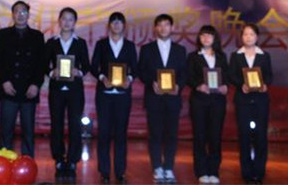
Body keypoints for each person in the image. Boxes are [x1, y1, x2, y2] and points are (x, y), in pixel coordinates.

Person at [138, 13, 187, 184]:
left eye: (166, 24)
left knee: (171, 134)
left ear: (172, 28)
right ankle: (157, 167)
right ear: (155, 28)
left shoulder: (180, 50)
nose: (163, 28)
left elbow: (184, 73)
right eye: (160, 25)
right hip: (154, 98)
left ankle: (169, 167)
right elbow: (141, 71)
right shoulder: (147, 49)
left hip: (173, 99)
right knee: (155, 134)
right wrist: (151, 82)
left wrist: (178, 86)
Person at [0, 0, 45, 157]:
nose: (20, 15)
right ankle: (3, 164)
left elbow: (41, 64)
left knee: (28, 131)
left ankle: (27, 164)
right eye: (17, 11)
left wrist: (36, 84)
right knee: (6, 130)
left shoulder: (37, 36)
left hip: (29, 90)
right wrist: (4, 81)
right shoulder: (3, 35)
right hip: (8, 88)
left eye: (24, 12)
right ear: (12, 14)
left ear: (28, 15)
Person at [90, 12, 138, 184]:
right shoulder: (101, 44)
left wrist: (129, 79)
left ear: (124, 25)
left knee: (121, 134)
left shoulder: (130, 46)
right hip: (104, 95)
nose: (116, 25)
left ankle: (120, 172)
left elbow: (135, 68)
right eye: (114, 22)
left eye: (119, 22)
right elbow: (93, 67)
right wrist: (102, 78)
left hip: (123, 96)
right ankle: (104, 172)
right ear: (109, 25)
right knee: (103, 133)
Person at [45, 7, 90, 180]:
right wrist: (52, 72)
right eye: (64, 19)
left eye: (70, 19)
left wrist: (79, 72)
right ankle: (58, 159)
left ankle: (72, 160)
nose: (67, 22)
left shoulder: (80, 43)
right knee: (56, 124)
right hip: (56, 90)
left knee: (74, 125)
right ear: (59, 21)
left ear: (75, 23)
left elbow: (86, 66)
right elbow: (43, 65)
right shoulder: (51, 42)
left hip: (75, 91)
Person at [228, 23, 273, 185]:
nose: (248, 37)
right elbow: (231, 75)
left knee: (261, 136)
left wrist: (265, 84)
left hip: (261, 100)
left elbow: (269, 75)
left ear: (257, 37)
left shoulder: (264, 55)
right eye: (245, 34)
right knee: (244, 136)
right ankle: (246, 173)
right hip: (243, 100)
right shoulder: (236, 56)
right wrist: (241, 85)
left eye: (252, 34)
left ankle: (259, 173)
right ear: (242, 37)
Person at [186, 25, 229, 184]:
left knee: (215, 136)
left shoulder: (222, 56)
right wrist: (198, 86)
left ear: (214, 38)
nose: (206, 38)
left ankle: (214, 171)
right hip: (199, 101)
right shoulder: (193, 57)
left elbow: (227, 76)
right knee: (200, 136)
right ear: (199, 38)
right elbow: (188, 76)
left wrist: (225, 86)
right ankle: (201, 171)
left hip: (217, 101)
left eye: (209, 35)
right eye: (203, 35)